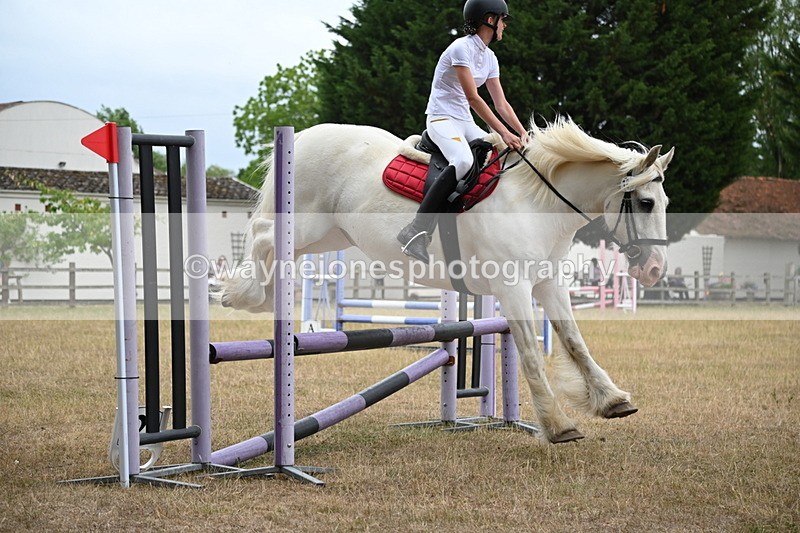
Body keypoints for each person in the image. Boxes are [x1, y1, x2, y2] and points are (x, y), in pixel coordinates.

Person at [397, 0, 529, 262]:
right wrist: (504, 133)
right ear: (490, 20)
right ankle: (415, 231)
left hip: (464, 122)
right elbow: (474, 98)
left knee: (493, 156)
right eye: (503, 20)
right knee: (463, 160)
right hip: (441, 119)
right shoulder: (460, 48)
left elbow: (501, 103)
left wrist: (523, 133)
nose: (505, 26)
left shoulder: (490, 57)